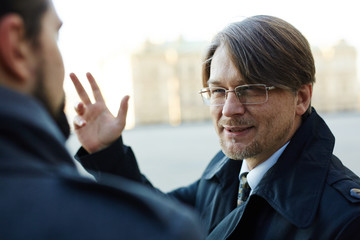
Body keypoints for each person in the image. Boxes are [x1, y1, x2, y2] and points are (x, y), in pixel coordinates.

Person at [72, 15, 360, 239]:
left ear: (301, 97)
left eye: (250, 89)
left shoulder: (346, 220)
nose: (229, 109)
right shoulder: (227, 171)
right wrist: (108, 153)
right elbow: (162, 218)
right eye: (219, 91)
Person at [0, 0, 205, 239]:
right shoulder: (150, 230)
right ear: (17, 47)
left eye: (245, 90)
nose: (230, 109)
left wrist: (107, 153)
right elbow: (165, 212)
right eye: (55, 35)